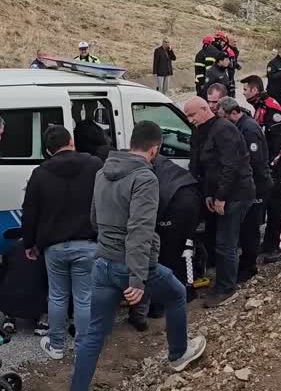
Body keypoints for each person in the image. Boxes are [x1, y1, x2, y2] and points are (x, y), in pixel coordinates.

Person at [70, 122, 207, 391]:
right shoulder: (145, 178)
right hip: (130, 264)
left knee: (94, 335)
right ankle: (179, 353)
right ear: (154, 149)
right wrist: (137, 278)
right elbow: (140, 230)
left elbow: (95, 219)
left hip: (103, 263)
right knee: (177, 293)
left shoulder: (103, 172)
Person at [20, 126, 102, 360]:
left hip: (54, 247)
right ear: (72, 141)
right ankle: (84, 348)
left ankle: (56, 346)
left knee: (56, 297)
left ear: (48, 150)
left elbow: (30, 212)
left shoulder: (40, 173)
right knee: (84, 297)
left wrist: (30, 243)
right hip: (88, 243)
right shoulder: (94, 165)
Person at [184, 97, 254, 308]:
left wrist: (221, 197)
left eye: (192, 114)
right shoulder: (202, 132)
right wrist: (208, 194)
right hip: (218, 194)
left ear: (206, 109)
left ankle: (226, 288)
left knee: (226, 242)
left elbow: (230, 167)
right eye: (187, 115)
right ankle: (222, 282)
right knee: (218, 240)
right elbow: (205, 169)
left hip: (236, 194)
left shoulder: (224, 130)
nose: (189, 119)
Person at [128, 154, 202, 329]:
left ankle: (161, 304)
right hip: (189, 199)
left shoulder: (142, 171)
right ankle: (187, 290)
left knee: (163, 255)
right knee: (186, 247)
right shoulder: (164, 166)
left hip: (176, 205)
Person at [220, 97, 273, 284]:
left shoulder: (248, 130)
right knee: (245, 229)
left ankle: (249, 267)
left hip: (257, 186)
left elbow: (256, 162)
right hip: (251, 185)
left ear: (233, 113)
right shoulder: (240, 126)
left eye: (223, 118)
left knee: (251, 229)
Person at [259, 86, 281, 263]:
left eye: (247, 90)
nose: (243, 93)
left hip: (279, 167)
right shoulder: (261, 106)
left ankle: (279, 247)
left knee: (278, 207)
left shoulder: (271, 109)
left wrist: (271, 165)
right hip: (272, 166)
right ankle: (269, 243)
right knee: (271, 206)